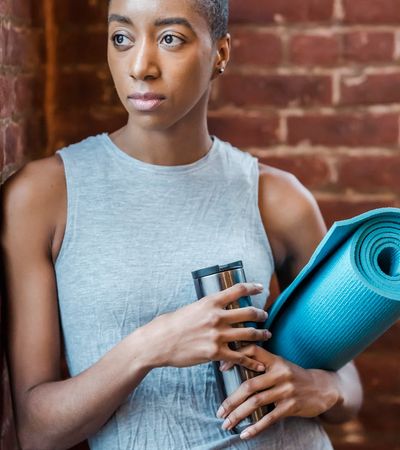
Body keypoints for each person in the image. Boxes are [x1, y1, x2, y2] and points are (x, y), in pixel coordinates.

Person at [1, 0, 363, 449]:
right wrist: (152, 345)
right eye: (121, 38)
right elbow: (38, 432)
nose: (140, 66)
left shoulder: (278, 198)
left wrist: (317, 387)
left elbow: (347, 384)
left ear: (221, 53)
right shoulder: (43, 196)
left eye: (171, 38)